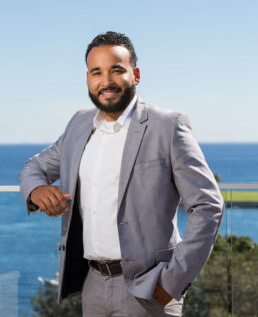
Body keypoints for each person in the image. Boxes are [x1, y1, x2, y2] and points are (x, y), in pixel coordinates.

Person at [20, 31, 224, 317]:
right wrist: (36, 191)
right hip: (92, 286)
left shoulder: (168, 126)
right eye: (97, 72)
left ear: (135, 74)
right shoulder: (78, 124)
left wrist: (172, 282)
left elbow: (208, 205)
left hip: (149, 290)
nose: (106, 82)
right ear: (88, 78)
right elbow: (34, 167)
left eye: (117, 70)